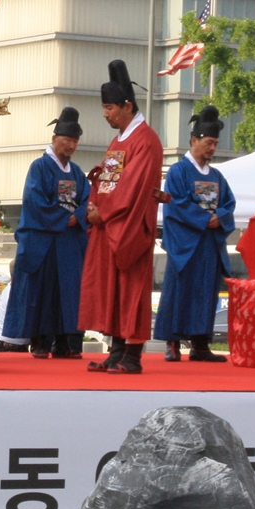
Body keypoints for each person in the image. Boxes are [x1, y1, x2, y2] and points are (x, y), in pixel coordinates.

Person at [78, 60, 163, 374]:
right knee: (112, 290)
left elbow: (133, 188)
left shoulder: (146, 141)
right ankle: (115, 352)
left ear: (127, 106)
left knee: (131, 291)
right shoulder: (121, 139)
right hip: (108, 224)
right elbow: (107, 180)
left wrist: (106, 212)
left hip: (129, 228)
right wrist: (92, 205)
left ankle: (132, 356)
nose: (105, 114)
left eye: (109, 108)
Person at [2, 106, 90, 358]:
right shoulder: (39, 167)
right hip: (44, 240)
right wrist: (66, 218)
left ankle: (65, 342)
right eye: (66, 140)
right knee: (42, 291)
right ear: (54, 139)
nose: (71, 145)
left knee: (69, 292)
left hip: (69, 242)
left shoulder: (76, 173)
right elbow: (34, 200)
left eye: (75, 141)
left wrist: (79, 216)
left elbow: (87, 199)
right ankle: (39, 340)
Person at [154, 106, 235, 363]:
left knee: (205, 294)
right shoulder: (178, 172)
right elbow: (175, 204)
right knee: (179, 292)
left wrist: (218, 218)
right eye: (209, 142)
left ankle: (200, 345)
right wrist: (205, 219)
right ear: (194, 140)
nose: (212, 148)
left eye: (215, 143)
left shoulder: (217, 175)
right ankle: (173, 343)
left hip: (209, 245)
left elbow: (229, 203)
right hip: (186, 245)